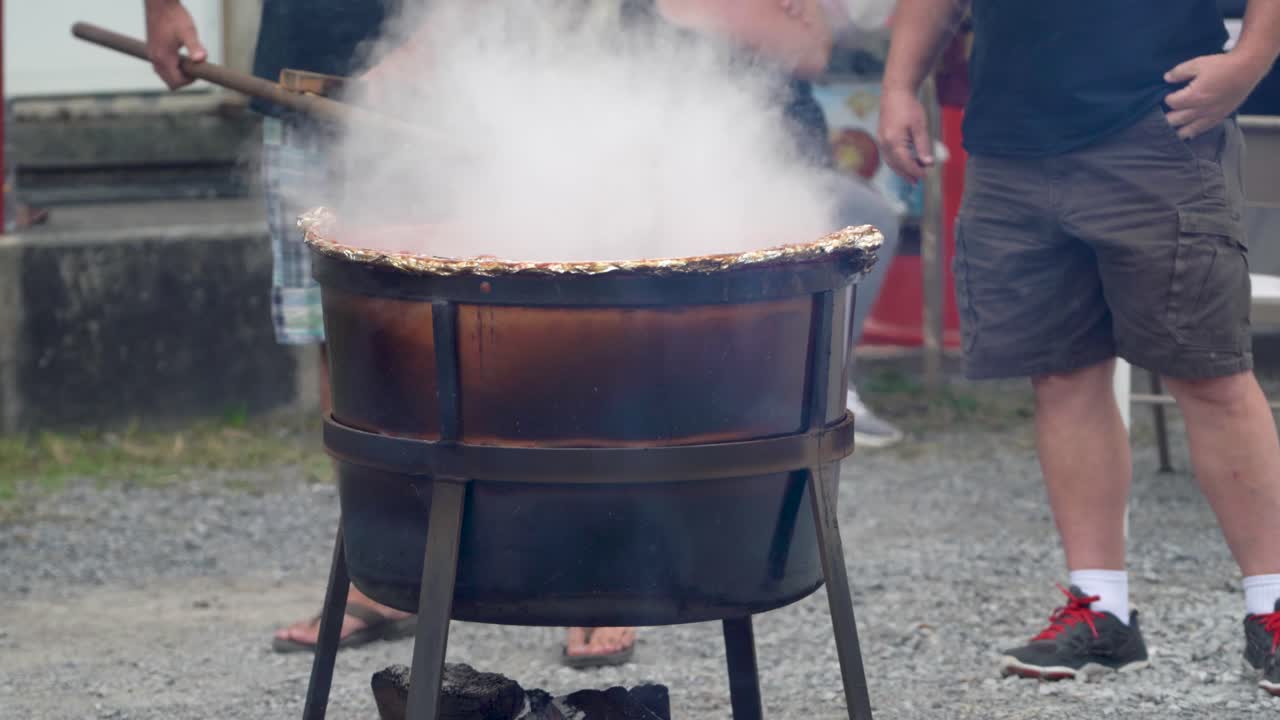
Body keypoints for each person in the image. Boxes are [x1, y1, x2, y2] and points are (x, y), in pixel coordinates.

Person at [880, 0, 1280, 696]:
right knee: (1061, 375)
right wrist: (896, 85)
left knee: (1209, 374)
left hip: (1157, 126)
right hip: (1010, 139)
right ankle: (1102, 612)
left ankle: (1272, 607)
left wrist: (1251, 58)